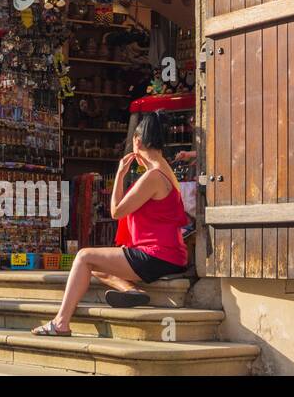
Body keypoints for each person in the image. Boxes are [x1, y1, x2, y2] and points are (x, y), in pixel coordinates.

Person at [32, 112, 188, 336]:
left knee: (84, 257)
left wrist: (120, 175)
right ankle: (131, 290)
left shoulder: (153, 176)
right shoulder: (166, 172)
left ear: (137, 141)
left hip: (158, 255)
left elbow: (116, 211)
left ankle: (60, 322)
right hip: (169, 254)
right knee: (95, 265)